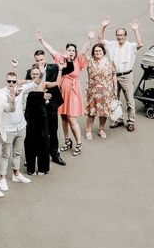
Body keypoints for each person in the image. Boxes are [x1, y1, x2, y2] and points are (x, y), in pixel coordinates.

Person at [36, 29, 93, 157]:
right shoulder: (61, 58)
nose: (71, 52)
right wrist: (41, 40)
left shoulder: (78, 59)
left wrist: (89, 39)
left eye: (73, 50)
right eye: (69, 50)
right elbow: (51, 50)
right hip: (61, 93)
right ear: (66, 51)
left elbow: (84, 50)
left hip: (72, 93)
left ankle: (79, 143)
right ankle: (67, 141)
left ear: (75, 52)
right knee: (63, 117)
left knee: (72, 119)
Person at [98, 17, 143, 131]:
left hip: (127, 76)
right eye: (118, 35)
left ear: (125, 36)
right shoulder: (112, 44)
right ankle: (118, 119)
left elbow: (140, 44)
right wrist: (103, 27)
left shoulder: (130, 46)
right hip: (113, 76)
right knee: (114, 99)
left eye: (122, 35)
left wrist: (136, 30)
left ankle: (131, 121)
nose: (120, 37)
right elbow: (100, 40)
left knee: (129, 101)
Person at [27, 50, 66, 168]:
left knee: (53, 130)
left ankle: (54, 154)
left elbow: (57, 83)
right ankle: (37, 155)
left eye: (41, 59)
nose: (40, 62)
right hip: (37, 107)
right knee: (38, 132)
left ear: (45, 59)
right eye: (37, 60)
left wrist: (65, 60)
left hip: (51, 105)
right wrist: (41, 95)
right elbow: (28, 89)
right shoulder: (30, 72)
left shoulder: (54, 68)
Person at [0, 69, 31, 190]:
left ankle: (16, 174)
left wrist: (23, 82)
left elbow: (35, 83)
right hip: (8, 129)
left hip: (21, 127)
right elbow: (8, 108)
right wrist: (12, 96)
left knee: (17, 152)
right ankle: (2, 178)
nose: (11, 83)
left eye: (14, 81)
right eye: (9, 81)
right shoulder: (0, 93)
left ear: (17, 82)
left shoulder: (20, 90)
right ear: (5, 81)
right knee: (5, 154)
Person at [84, 43, 117, 140]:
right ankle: (88, 130)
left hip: (106, 91)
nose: (97, 52)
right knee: (91, 112)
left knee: (104, 111)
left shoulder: (110, 62)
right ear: (93, 53)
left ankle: (101, 129)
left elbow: (114, 75)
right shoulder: (89, 61)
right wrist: (89, 41)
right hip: (93, 91)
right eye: (96, 51)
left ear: (103, 52)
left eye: (99, 51)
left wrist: (115, 89)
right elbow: (82, 54)